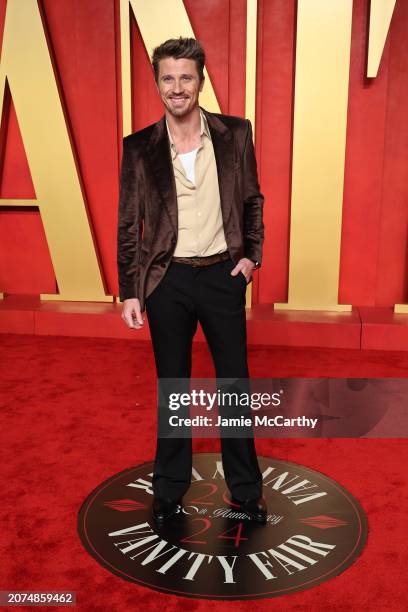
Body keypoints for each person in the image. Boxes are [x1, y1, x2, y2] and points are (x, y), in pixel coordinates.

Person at [117, 37, 267, 525]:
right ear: (157, 83)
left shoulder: (235, 134)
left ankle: (246, 489)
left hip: (223, 276)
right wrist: (131, 290)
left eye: (185, 77)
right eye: (167, 78)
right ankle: (169, 488)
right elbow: (128, 224)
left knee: (234, 387)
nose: (176, 87)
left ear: (200, 81)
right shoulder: (139, 148)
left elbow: (252, 201)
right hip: (168, 282)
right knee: (174, 389)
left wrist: (251, 259)